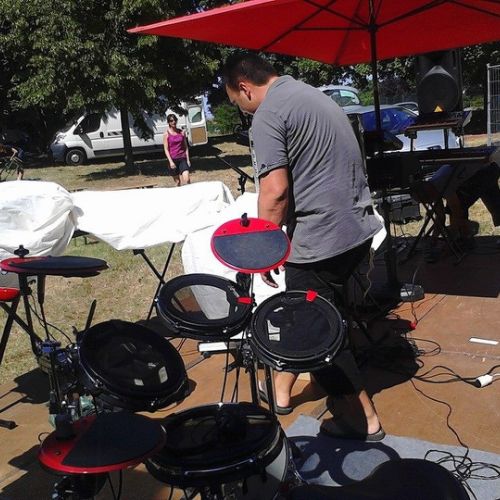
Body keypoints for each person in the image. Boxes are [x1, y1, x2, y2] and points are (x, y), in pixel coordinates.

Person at [223, 52, 385, 441]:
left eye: (236, 102)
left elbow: (275, 192)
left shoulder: (268, 114)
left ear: (244, 88)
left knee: (319, 333)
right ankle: (282, 389)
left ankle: (365, 420)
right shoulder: (313, 96)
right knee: (316, 316)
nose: (242, 111)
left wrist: (263, 247)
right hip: (355, 231)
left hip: (320, 241)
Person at [163, 114, 191, 186]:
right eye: (171, 121)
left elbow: (186, 147)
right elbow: (166, 149)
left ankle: (190, 191)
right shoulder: (166, 134)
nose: (174, 122)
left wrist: (188, 160)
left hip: (182, 158)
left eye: (175, 120)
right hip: (173, 160)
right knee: (177, 182)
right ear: (168, 122)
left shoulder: (182, 132)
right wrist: (171, 162)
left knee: (187, 179)